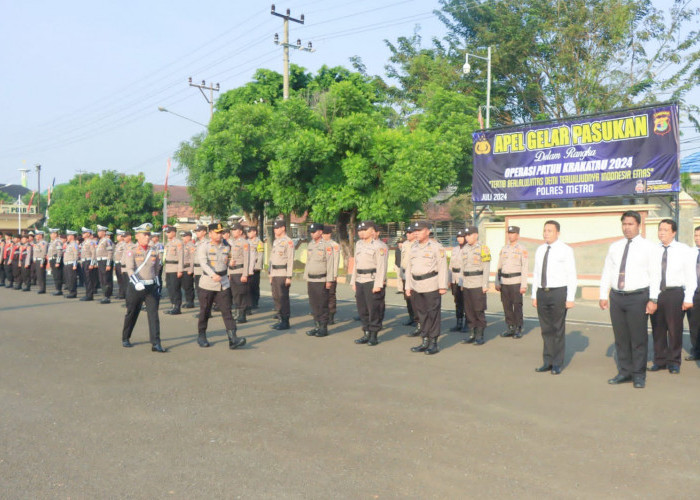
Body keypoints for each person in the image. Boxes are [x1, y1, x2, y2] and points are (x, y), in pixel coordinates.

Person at [600, 211, 660, 388]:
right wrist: (603, 295)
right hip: (617, 297)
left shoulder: (649, 247)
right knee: (621, 338)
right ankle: (624, 371)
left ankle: (638, 374)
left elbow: (655, 275)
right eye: (624, 224)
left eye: (630, 224)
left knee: (638, 338)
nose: (627, 227)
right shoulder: (615, 246)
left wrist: (653, 299)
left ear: (639, 225)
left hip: (638, 297)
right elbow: (607, 271)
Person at [649, 219, 695, 374]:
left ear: (673, 232)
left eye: (665, 230)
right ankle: (659, 360)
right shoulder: (653, 250)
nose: (661, 232)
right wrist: (651, 297)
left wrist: (688, 297)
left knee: (675, 329)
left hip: (675, 293)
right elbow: (651, 275)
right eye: (660, 229)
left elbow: (690, 276)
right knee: (657, 328)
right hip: (656, 293)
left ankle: (674, 361)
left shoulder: (684, 250)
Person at [532, 220, 577, 375]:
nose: (546, 233)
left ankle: (557, 363)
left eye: (550, 230)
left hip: (558, 292)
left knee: (557, 328)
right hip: (542, 292)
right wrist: (534, 295)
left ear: (558, 233)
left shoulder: (565, 250)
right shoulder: (540, 250)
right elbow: (537, 273)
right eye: (544, 230)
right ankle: (547, 361)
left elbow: (571, 274)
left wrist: (570, 298)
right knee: (545, 329)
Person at [195, 222, 246, 349]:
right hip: (208, 283)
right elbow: (203, 263)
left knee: (227, 311)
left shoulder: (226, 246)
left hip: (223, 283)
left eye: (221, 232)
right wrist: (213, 275)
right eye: (217, 233)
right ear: (210, 233)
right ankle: (201, 335)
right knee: (205, 311)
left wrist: (231, 263)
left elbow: (228, 260)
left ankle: (233, 339)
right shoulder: (204, 246)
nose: (220, 235)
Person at [405, 221, 449, 355]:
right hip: (416, 285)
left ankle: (433, 343)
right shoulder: (413, 247)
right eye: (415, 231)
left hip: (431, 284)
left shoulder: (436, 247)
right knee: (421, 314)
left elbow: (443, 267)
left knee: (433, 315)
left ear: (428, 231)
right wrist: (408, 286)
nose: (416, 233)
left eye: (419, 230)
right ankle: (424, 341)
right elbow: (409, 268)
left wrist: (442, 286)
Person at [121, 223, 166, 352]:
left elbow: (157, 268)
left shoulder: (154, 250)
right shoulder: (132, 250)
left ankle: (156, 343)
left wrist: (157, 284)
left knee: (153, 315)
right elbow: (129, 269)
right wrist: (136, 282)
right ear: (137, 236)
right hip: (136, 286)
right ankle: (125, 337)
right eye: (145, 235)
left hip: (150, 287)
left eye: (148, 235)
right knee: (132, 313)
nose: (147, 237)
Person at [350, 221, 388, 346]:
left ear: (372, 231)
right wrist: (353, 280)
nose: (361, 232)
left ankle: (373, 335)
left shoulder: (379, 246)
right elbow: (356, 263)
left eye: (365, 230)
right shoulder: (359, 244)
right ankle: (366, 332)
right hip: (360, 279)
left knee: (374, 309)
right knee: (362, 309)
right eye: (360, 230)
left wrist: (378, 284)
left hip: (372, 280)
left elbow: (381, 266)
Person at [495, 226, 529, 339]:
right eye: (509, 233)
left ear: (517, 235)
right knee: (506, 305)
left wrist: (523, 285)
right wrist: (497, 281)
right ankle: (510, 327)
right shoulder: (504, 249)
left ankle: (518, 328)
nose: (510, 235)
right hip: (504, 281)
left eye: (513, 233)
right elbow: (499, 266)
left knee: (517, 306)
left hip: (516, 282)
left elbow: (525, 268)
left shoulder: (522, 249)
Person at [460, 226, 491, 345]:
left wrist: (485, 284)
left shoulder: (484, 248)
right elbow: (462, 267)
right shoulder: (465, 249)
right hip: (467, 283)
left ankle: (480, 335)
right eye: (466, 235)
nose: (467, 237)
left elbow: (486, 267)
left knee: (479, 310)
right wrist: (461, 283)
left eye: (469, 235)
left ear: (476, 235)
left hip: (478, 283)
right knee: (468, 311)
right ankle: (472, 334)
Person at [304, 223, 335, 337]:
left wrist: (329, 280)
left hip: (322, 279)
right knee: (314, 304)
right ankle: (316, 325)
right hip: (311, 279)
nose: (312, 234)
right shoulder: (310, 245)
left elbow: (330, 264)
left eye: (314, 231)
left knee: (322, 305)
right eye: (311, 232)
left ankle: (323, 327)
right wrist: (306, 277)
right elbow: (308, 262)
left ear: (320, 232)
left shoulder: (327, 246)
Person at [269, 219, 294, 330]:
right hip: (275, 273)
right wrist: (270, 274)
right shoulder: (276, 241)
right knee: (276, 297)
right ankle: (280, 319)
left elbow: (290, 260)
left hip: (283, 273)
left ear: (283, 228)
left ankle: (285, 321)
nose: (275, 230)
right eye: (274, 228)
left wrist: (288, 276)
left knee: (283, 297)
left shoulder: (288, 242)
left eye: (277, 227)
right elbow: (272, 259)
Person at [227, 222, 251, 323]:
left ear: (240, 231)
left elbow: (247, 259)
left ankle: (242, 314)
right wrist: (229, 272)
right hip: (233, 272)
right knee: (235, 294)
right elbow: (232, 259)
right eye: (232, 230)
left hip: (240, 271)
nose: (233, 232)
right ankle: (237, 311)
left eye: (235, 230)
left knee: (241, 294)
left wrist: (245, 274)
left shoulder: (244, 243)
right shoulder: (234, 243)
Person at [401, 226, 419, 334]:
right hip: (405, 273)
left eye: (409, 233)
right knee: (407, 298)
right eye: (407, 233)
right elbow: (403, 259)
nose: (407, 234)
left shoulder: (417, 244)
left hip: (413, 274)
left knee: (414, 299)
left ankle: (418, 320)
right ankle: (411, 317)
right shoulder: (405, 244)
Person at [163, 226, 184, 315]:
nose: (167, 234)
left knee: (176, 288)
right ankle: (173, 305)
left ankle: (177, 307)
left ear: (173, 232)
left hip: (175, 268)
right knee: (170, 287)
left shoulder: (178, 242)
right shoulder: (168, 243)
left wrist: (180, 270)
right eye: (166, 232)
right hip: (168, 268)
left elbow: (181, 257)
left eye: (168, 232)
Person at [322, 226, 340, 324]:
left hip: (331, 274)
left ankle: (331, 315)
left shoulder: (334, 245)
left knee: (330, 295)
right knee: (322, 296)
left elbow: (335, 261)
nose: (323, 236)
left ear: (329, 234)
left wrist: (334, 275)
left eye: (325, 234)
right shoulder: (319, 244)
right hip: (321, 274)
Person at [449, 229, 466, 333]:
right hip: (454, 277)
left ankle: (468, 323)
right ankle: (458, 323)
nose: (459, 238)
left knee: (466, 302)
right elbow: (450, 265)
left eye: (462, 236)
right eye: (458, 237)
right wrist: (448, 279)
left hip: (463, 277)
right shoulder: (455, 249)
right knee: (457, 301)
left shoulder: (468, 249)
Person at [95, 225, 114, 304]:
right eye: (98, 231)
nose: (98, 233)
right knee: (102, 279)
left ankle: (107, 296)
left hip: (105, 261)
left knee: (106, 279)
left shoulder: (107, 240)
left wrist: (108, 264)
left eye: (99, 231)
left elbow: (110, 252)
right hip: (100, 261)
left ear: (103, 232)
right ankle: (104, 295)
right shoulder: (101, 240)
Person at [247, 226, 264, 310]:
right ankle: (249, 302)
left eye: (250, 232)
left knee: (255, 285)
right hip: (248, 267)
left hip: (255, 267)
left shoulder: (259, 242)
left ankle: (255, 302)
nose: (248, 233)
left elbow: (260, 255)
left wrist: (258, 266)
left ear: (254, 232)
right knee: (248, 286)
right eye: (248, 232)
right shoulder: (247, 242)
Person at [79, 227, 97, 301]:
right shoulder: (84, 242)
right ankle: (87, 294)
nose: (82, 234)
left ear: (89, 234)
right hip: (84, 261)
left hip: (89, 261)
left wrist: (92, 263)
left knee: (89, 279)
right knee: (86, 279)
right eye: (82, 233)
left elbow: (94, 253)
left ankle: (90, 295)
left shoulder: (91, 242)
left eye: (84, 233)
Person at [180, 230, 196, 308]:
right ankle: (187, 301)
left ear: (189, 237)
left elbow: (193, 258)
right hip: (183, 268)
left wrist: (191, 269)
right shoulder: (184, 245)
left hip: (188, 268)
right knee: (185, 286)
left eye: (184, 236)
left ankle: (190, 302)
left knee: (189, 286)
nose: (183, 238)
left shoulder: (191, 245)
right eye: (183, 236)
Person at [63, 230, 80, 298]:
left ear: (72, 236)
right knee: (68, 278)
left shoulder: (74, 244)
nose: (67, 237)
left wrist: (75, 264)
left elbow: (76, 255)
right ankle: (70, 291)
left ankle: (73, 292)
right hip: (67, 263)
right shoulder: (69, 244)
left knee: (72, 278)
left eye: (69, 235)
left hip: (71, 264)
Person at [47, 228, 64, 295]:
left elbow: (59, 252)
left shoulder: (58, 242)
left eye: (52, 234)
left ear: (55, 234)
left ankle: (59, 290)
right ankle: (57, 288)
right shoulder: (52, 242)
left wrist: (58, 262)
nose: (50, 235)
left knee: (58, 275)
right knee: (55, 275)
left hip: (55, 260)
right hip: (52, 260)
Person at [113, 230, 126, 300]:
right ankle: (120, 293)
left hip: (121, 263)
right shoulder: (118, 244)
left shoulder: (124, 244)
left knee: (122, 279)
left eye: (118, 235)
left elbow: (124, 255)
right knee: (119, 279)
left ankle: (123, 293)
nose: (117, 237)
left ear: (122, 236)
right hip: (117, 263)